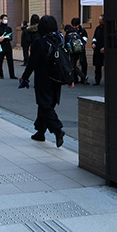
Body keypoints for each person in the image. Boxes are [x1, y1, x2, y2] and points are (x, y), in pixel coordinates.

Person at [19, 15, 73, 147]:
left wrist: (24, 77)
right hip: (57, 76)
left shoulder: (39, 42)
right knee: (48, 104)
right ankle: (40, 132)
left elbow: (32, 63)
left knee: (44, 104)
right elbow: (66, 59)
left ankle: (57, 129)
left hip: (43, 78)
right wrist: (69, 78)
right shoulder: (60, 39)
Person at [0, 14, 17, 79]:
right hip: (1, 46)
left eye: (6, 19)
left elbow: (11, 37)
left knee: (10, 61)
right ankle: (1, 74)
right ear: (1, 20)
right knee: (0, 61)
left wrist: (9, 37)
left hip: (8, 45)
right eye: (4, 19)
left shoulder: (9, 28)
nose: (6, 20)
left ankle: (12, 75)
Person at [71, 17, 89, 84]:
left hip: (81, 49)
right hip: (73, 50)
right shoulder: (71, 30)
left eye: (76, 26)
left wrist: (82, 44)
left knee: (83, 63)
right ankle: (75, 78)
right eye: (73, 26)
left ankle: (83, 78)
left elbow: (85, 39)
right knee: (73, 64)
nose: (74, 27)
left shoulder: (82, 31)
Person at [91, 14, 105, 85]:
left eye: (100, 19)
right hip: (97, 49)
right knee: (97, 66)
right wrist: (93, 43)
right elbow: (94, 37)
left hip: (103, 49)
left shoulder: (107, 29)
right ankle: (97, 80)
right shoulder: (98, 28)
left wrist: (105, 47)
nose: (99, 21)